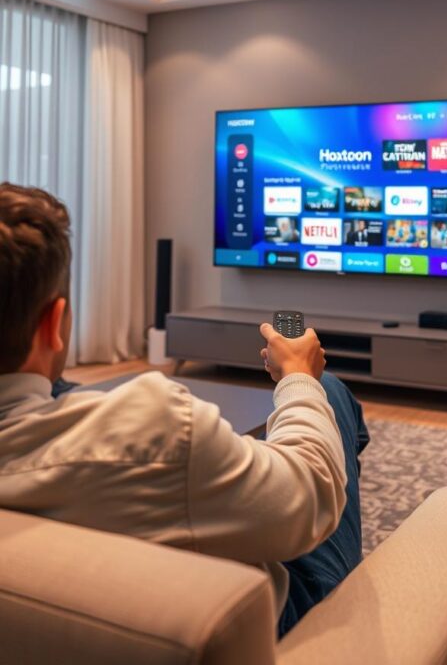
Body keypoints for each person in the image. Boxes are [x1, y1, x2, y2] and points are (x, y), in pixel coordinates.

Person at [0, 183, 369, 637]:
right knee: (329, 391)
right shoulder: (160, 430)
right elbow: (310, 498)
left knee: (61, 387)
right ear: (53, 324)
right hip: (271, 617)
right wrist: (298, 377)